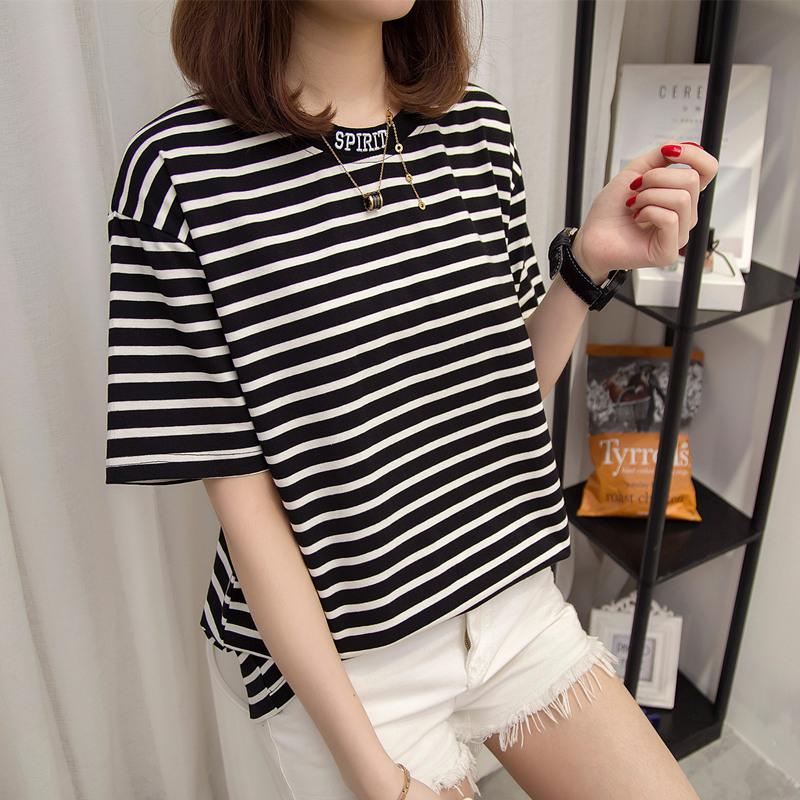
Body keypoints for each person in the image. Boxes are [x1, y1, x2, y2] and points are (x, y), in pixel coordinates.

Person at [106, 2, 717, 798]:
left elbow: (502, 404)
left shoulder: (477, 131)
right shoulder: (178, 176)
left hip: (507, 599)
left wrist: (587, 266)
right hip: (345, 660)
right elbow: (249, 515)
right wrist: (380, 781)